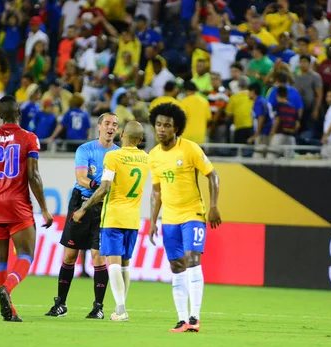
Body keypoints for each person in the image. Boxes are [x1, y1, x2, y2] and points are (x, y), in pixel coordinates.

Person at [0, 96, 54, 322]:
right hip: (17, 205)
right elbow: (33, 176)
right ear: (19, 111)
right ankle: (6, 289)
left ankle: (9, 310)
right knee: (26, 254)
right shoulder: (29, 138)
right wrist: (45, 209)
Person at [148, 103, 221, 333]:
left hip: (193, 214)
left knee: (192, 259)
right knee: (176, 265)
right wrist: (152, 221)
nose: (161, 129)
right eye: (158, 124)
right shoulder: (153, 156)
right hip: (169, 218)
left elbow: (212, 175)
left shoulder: (190, 149)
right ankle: (181, 320)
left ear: (176, 128)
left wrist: (214, 206)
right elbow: (157, 191)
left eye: (167, 125)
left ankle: (194, 317)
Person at [45, 113, 119, 319]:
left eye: (114, 124)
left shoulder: (118, 154)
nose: (110, 127)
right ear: (99, 127)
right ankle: (60, 304)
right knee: (69, 255)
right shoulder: (85, 150)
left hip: (104, 208)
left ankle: (98, 308)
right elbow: (81, 178)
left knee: (98, 257)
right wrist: (99, 186)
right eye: (107, 123)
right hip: (81, 202)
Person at [72, 121, 149, 321]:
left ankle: (121, 309)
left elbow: (104, 188)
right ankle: (120, 307)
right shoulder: (145, 158)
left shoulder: (113, 156)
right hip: (133, 218)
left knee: (113, 262)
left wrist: (83, 208)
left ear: (122, 134)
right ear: (140, 140)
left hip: (114, 215)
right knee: (125, 264)